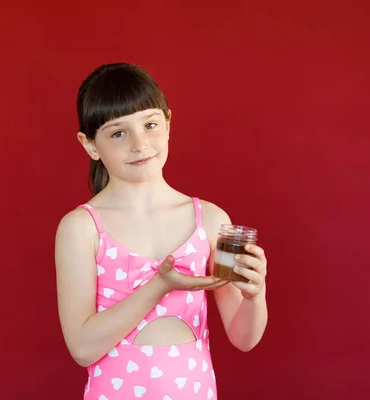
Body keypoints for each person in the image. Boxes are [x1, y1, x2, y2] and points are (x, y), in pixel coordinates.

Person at [54, 62, 268, 400]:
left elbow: (243, 338)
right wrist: (159, 285)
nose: (139, 144)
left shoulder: (210, 220)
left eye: (150, 125)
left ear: (168, 124)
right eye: (118, 133)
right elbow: (82, 348)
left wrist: (256, 296)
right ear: (90, 145)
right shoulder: (81, 228)